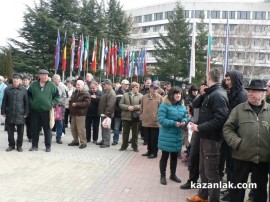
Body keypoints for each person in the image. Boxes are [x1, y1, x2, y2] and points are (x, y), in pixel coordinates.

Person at [223, 79, 270, 202]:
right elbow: (227, 128)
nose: (249, 93)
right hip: (241, 157)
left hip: (262, 159)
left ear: (262, 94)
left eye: (254, 91)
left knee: (260, 190)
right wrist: (237, 143)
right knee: (237, 190)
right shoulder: (239, 110)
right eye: (249, 90)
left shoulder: (269, 110)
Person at [187, 68, 229, 202]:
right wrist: (202, 93)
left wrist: (199, 127)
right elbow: (195, 104)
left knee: (212, 174)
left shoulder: (217, 94)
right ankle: (202, 196)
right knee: (204, 170)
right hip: (205, 136)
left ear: (208, 78)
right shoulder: (210, 92)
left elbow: (221, 118)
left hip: (212, 139)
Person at [220, 70, 247, 201]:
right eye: (226, 79)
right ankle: (230, 189)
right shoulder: (232, 93)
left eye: (229, 79)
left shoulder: (242, 95)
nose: (227, 82)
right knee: (229, 165)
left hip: (235, 136)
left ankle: (233, 193)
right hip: (229, 135)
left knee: (234, 167)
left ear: (236, 80)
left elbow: (238, 117)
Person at [158, 86, 188, 185]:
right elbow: (161, 120)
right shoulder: (164, 105)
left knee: (174, 156)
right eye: (176, 93)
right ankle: (163, 176)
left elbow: (185, 116)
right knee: (165, 156)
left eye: (180, 94)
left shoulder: (182, 106)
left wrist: (184, 121)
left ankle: (173, 174)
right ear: (171, 95)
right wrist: (174, 123)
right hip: (167, 135)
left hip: (177, 135)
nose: (179, 95)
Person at [28, 69, 59, 152]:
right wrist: (32, 103)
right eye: (43, 75)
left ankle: (48, 146)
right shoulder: (33, 85)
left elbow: (57, 97)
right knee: (35, 129)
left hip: (47, 111)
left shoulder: (52, 85)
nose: (46, 76)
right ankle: (34, 146)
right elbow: (29, 96)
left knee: (47, 129)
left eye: (47, 75)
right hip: (35, 111)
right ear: (39, 76)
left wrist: (51, 103)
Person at [1, 73, 29, 152]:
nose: (15, 80)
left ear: (20, 80)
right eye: (14, 78)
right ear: (12, 80)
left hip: (20, 114)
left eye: (17, 79)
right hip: (10, 113)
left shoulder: (24, 90)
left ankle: (19, 146)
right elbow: (4, 101)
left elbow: (26, 102)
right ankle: (11, 145)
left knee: (20, 132)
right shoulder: (7, 89)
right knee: (10, 131)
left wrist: (26, 112)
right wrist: (3, 111)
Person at [119, 82, 143, 152]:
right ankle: (124, 146)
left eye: (138, 87)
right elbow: (120, 104)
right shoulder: (125, 95)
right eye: (136, 87)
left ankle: (135, 146)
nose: (138, 89)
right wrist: (127, 107)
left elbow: (142, 105)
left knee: (135, 133)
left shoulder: (141, 96)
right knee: (125, 132)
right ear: (132, 88)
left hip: (135, 117)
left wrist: (134, 107)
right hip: (126, 116)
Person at [141, 83, 163, 158]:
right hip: (146, 121)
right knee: (148, 138)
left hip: (155, 122)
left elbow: (162, 110)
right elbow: (141, 107)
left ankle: (154, 152)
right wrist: (141, 116)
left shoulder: (160, 98)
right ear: (150, 88)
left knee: (154, 139)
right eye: (153, 88)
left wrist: (157, 118)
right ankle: (149, 151)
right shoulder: (144, 97)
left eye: (156, 88)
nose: (155, 90)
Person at [68, 80, 91, 149]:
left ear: (82, 86)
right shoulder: (75, 92)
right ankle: (75, 141)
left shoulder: (86, 93)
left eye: (79, 85)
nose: (77, 86)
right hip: (74, 113)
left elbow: (87, 104)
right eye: (77, 85)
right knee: (73, 128)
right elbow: (71, 101)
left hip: (81, 113)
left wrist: (76, 104)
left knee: (81, 129)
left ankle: (83, 142)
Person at [97, 79, 116, 148]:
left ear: (109, 85)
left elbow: (110, 105)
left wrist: (106, 113)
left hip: (107, 114)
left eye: (104, 84)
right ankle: (103, 140)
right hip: (103, 113)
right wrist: (97, 98)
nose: (103, 85)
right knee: (103, 127)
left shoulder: (111, 93)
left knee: (106, 128)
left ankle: (106, 143)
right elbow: (103, 100)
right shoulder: (105, 91)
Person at [113, 79, 130, 145]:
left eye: (128, 85)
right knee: (116, 128)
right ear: (122, 84)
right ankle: (115, 140)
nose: (127, 86)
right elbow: (114, 103)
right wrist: (117, 110)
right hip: (118, 113)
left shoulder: (129, 92)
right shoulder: (117, 92)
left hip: (126, 113)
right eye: (126, 84)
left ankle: (125, 141)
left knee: (126, 128)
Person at [52, 74, 67, 144]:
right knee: (50, 122)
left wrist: (57, 102)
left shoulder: (62, 86)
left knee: (59, 123)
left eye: (59, 79)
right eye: (57, 79)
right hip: (51, 107)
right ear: (54, 80)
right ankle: (48, 137)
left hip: (60, 107)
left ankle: (59, 137)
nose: (59, 80)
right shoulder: (50, 86)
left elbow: (64, 96)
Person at [22, 74, 32, 142]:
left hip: (30, 109)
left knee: (30, 124)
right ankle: (20, 137)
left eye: (26, 80)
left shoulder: (32, 88)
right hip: (21, 108)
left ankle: (30, 137)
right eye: (24, 80)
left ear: (29, 81)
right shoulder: (21, 88)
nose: (25, 82)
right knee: (21, 124)